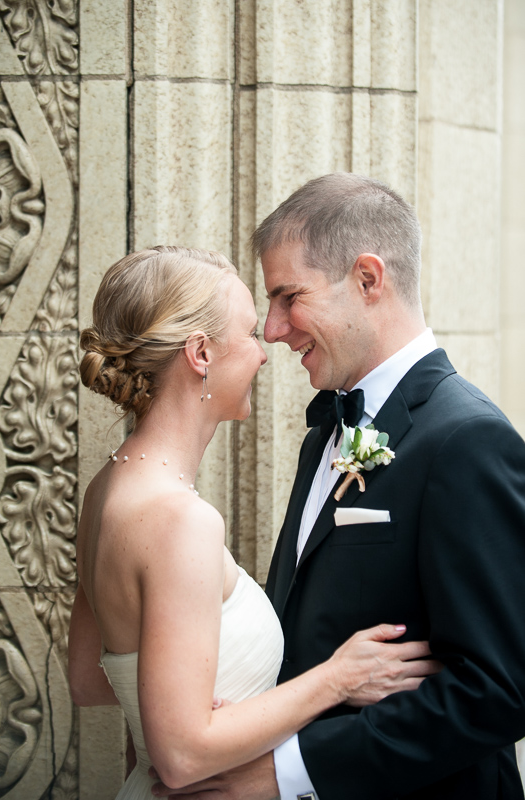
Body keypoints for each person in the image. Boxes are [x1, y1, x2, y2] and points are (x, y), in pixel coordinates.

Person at [151, 175, 525, 800]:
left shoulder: (467, 441)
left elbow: (500, 689)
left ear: (368, 279)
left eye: (288, 297)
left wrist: (282, 774)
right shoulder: (326, 429)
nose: (272, 330)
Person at [68, 245, 439, 800]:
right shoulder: (180, 521)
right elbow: (183, 754)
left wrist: (194, 704)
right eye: (248, 333)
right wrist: (337, 677)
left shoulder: (104, 491)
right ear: (200, 353)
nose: (264, 350)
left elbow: (88, 679)